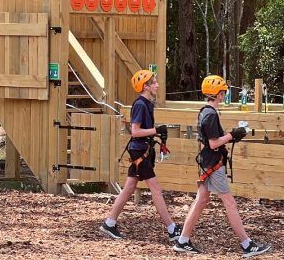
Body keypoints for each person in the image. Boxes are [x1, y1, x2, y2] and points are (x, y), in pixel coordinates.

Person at [173, 75, 270, 256]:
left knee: (201, 200)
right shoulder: (210, 114)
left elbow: (214, 139)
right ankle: (247, 245)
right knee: (230, 203)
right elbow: (213, 143)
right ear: (217, 94)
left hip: (208, 163)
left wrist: (233, 135)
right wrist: (233, 134)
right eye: (223, 91)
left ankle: (183, 240)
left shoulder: (206, 112)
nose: (224, 94)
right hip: (213, 164)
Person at [100, 70, 181, 244]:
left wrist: (156, 133)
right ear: (145, 86)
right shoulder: (140, 105)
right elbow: (135, 131)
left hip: (141, 150)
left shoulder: (147, 103)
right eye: (154, 82)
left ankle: (109, 223)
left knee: (129, 188)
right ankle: (172, 229)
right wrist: (156, 130)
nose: (157, 85)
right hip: (139, 152)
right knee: (156, 190)